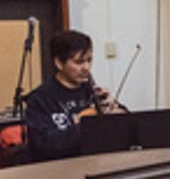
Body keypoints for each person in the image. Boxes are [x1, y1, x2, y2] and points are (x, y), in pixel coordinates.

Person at [24, 29, 123, 162]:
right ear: (59, 63)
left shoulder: (92, 91)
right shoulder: (40, 99)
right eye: (79, 62)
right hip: (60, 170)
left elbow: (126, 127)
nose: (86, 68)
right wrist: (91, 126)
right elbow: (42, 144)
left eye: (89, 60)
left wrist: (116, 111)